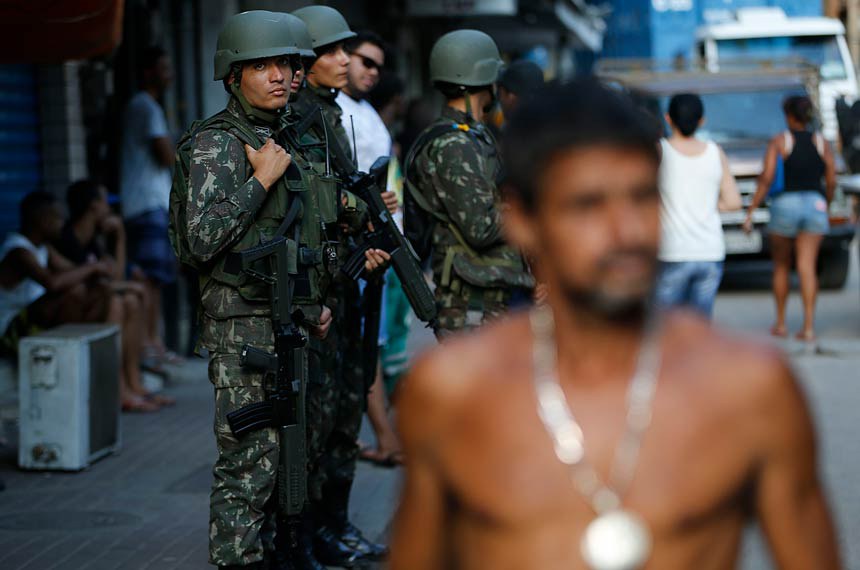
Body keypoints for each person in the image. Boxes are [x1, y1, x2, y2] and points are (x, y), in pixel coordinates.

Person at [390, 79, 841, 570]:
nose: (625, 231)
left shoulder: (748, 388)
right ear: (521, 220)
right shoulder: (453, 393)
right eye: (587, 205)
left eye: (643, 198)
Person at [183, 11, 387, 569]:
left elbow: (293, 238)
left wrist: (316, 300)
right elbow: (199, 242)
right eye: (263, 66)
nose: (280, 76)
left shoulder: (284, 136)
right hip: (242, 331)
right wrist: (259, 182)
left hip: (291, 324)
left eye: (287, 65)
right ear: (232, 75)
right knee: (248, 470)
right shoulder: (216, 145)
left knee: (288, 469)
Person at [291, 6, 390, 565]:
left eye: (343, 50)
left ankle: (333, 526)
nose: (343, 60)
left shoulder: (331, 113)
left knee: (344, 412)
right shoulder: (302, 117)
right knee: (319, 421)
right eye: (331, 51)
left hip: (344, 282)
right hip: (319, 290)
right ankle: (310, 536)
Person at [404, 30, 533, 339]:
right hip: (472, 306)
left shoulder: (472, 135)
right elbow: (481, 227)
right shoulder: (454, 143)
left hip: (489, 298)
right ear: (485, 78)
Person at [0, 192, 158, 412]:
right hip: (12, 331)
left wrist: (107, 278)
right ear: (42, 221)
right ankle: (110, 387)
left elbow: (78, 274)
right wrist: (93, 268)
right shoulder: (18, 250)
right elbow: (53, 283)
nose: (62, 224)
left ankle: (124, 384)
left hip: (37, 322)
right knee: (76, 292)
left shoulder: (45, 249)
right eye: (57, 218)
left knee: (105, 295)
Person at [59, 179, 174, 406]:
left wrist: (120, 237)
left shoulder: (93, 241)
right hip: (67, 319)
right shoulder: (67, 239)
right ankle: (120, 390)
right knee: (119, 303)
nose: (109, 208)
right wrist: (123, 285)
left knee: (130, 299)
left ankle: (133, 384)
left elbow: (116, 278)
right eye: (104, 202)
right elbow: (92, 286)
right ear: (93, 206)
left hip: (91, 310)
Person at [743, 95, 836, 342]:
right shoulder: (821, 142)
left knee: (782, 265)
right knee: (807, 266)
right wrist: (825, 201)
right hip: (814, 203)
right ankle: (808, 327)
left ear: (788, 116)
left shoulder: (780, 141)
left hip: (785, 204)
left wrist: (752, 209)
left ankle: (781, 323)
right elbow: (831, 177)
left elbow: (767, 177)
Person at [119, 45, 180, 367]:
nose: (169, 75)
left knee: (151, 277)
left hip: (144, 205)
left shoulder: (144, 106)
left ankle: (150, 343)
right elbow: (166, 155)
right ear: (148, 73)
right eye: (164, 68)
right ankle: (149, 344)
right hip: (147, 205)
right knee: (149, 279)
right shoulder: (146, 106)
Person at [655, 93, 741, 318]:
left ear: (668, 118)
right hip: (709, 252)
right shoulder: (715, 152)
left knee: (667, 330)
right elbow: (733, 202)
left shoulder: (660, 151)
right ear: (702, 121)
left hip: (671, 252)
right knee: (699, 328)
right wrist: (708, 204)